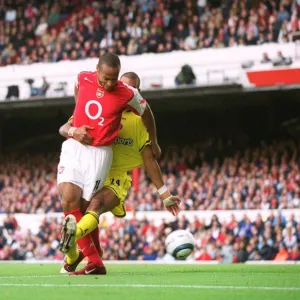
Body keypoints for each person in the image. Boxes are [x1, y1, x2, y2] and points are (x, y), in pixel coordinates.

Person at [59, 72, 181, 275]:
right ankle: (85, 255)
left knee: (94, 205)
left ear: (136, 93)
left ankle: (73, 237)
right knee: (82, 206)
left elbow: (149, 160)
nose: (121, 91)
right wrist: (74, 131)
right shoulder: (103, 107)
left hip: (117, 177)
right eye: (119, 86)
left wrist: (165, 194)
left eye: (129, 89)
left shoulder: (139, 122)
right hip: (95, 169)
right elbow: (66, 126)